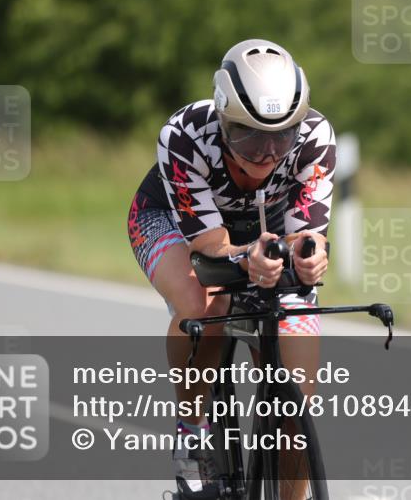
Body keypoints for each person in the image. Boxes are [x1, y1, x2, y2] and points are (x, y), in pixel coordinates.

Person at [127, 38, 335, 498]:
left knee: (294, 397)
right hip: (174, 221)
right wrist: (248, 257)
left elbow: (309, 234)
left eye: (281, 136)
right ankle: (192, 436)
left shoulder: (316, 136)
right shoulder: (183, 133)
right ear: (222, 118)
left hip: (267, 225)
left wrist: (311, 254)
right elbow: (209, 246)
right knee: (202, 304)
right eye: (247, 135)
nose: (265, 153)